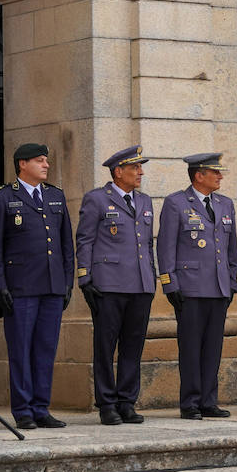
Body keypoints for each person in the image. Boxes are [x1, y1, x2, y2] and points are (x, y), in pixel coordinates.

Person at [0, 143, 74, 430]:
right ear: (22, 164)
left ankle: (41, 407)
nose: (46, 165)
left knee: (45, 349)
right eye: (39, 160)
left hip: (51, 286)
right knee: (21, 349)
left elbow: (65, 247)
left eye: (46, 160)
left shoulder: (55, 196)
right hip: (20, 287)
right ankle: (23, 409)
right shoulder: (4, 198)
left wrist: (67, 284)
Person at [75, 145, 155, 425]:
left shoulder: (145, 201)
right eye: (135, 168)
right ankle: (106, 403)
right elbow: (84, 240)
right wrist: (85, 277)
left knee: (133, 346)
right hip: (108, 284)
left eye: (140, 167)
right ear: (118, 171)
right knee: (105, 347)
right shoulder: (97, 199)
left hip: (141, 285)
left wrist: (152, 278)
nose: (140, 172)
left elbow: (147, 244)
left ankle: (126, 401)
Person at [158, 153, 237, 420]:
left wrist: (232, 282)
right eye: (214, 172)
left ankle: (208, 400)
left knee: (213, 347)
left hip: (218, 288)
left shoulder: (225, 204)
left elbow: (231, 250)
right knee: (191, 347)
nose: (220, 176)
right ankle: (190, 402)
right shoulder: (176, 203)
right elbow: (166, 246)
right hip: (190, 287)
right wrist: (170, 284)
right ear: (198, 176)